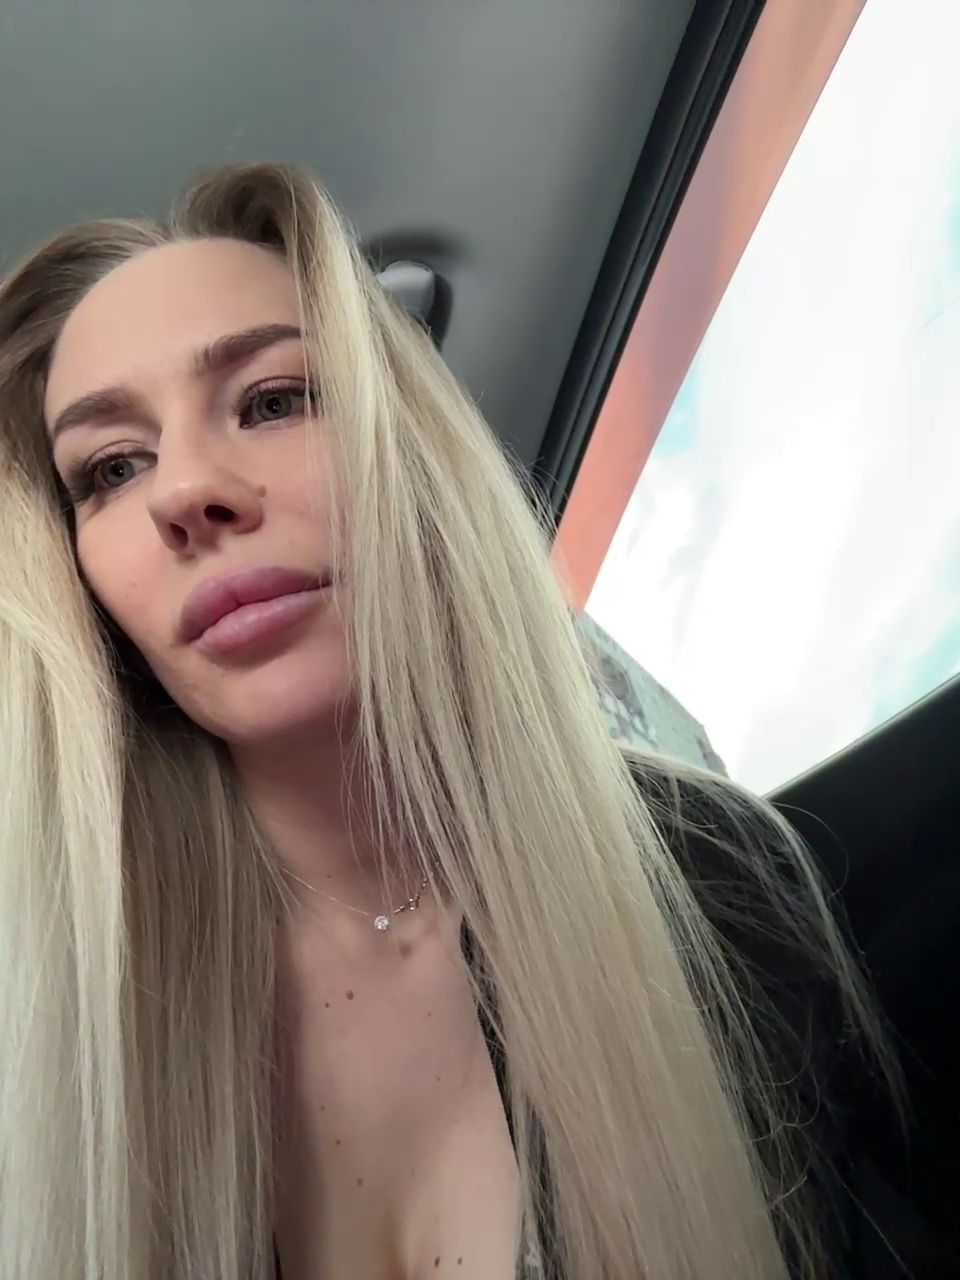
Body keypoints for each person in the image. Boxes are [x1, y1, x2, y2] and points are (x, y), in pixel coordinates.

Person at [0, 162, 896, 1280]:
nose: (184, 492)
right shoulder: (50, 1022)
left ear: (417, 458)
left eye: (273, 400)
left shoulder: (713, 874)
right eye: (112, 467)